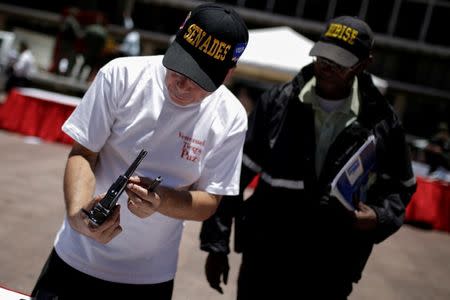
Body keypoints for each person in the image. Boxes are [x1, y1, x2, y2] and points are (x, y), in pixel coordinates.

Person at [31, 3, 248, 299]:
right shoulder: (122, 75)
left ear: (227, 75)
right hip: (75, 258)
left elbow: (210, 200)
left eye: (200, 81)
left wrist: (161, 201)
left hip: (149, 277)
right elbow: (83, 153)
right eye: (180, 67)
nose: (182, 85)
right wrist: (78, 216)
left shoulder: (231, 116)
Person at [200, 16, 417, 299]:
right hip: (266, 259)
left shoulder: (382, 122)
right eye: (323, 57)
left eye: (339, 62)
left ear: (364, 64)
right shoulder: (277, 103)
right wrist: (217, 245)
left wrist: (379, 216)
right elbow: (233, 176)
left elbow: (400, 185)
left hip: (330, 268)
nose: (326, 67)